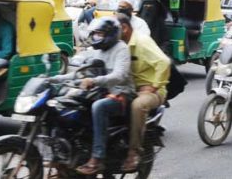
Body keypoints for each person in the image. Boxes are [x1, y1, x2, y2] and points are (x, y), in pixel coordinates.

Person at [50, 17, 134, 175]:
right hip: (100, 92)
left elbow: (120, 75)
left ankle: (97, 158)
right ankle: (70, 152)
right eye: (95, 34)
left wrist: (94, 80)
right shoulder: (97, 50)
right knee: (62, 105)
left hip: (120, 94)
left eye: (100, 34)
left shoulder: (121, 49)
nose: (96, 37)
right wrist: (53, 78)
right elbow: (80, 72)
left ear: (110, 34)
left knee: (99, 107)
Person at [116, 14, 170, 172]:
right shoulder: (116, 43)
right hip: (126, 88)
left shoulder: (142, 41)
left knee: (137, 105)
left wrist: (153, 87)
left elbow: (164, 62)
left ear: (124, 28)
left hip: (151, 91)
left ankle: (134, 151)